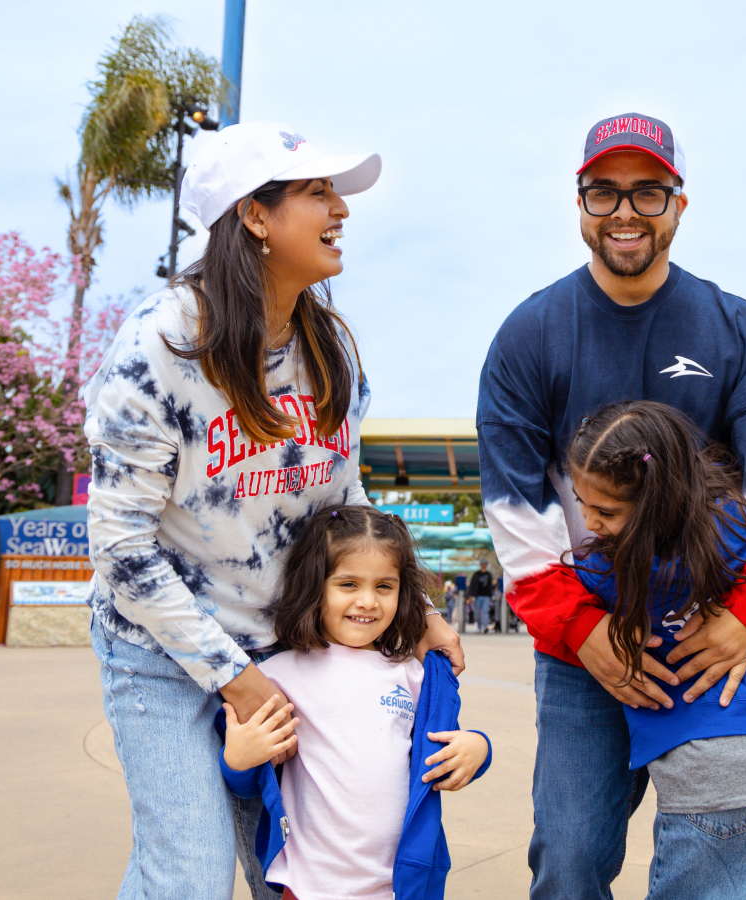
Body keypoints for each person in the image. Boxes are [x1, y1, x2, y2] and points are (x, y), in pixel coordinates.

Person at [84, 123, 463, 900]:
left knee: (292, 873)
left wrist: (412, 606)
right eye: (318, 192)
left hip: (281, 642)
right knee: (187, 873)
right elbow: (120, 549)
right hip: (159, 649)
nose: (341, 211)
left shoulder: (331, 351)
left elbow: (343, 499)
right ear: (254, 216)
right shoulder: (158, 347)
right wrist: (232, 679)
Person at [476, 112, 746, 900]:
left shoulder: (740, 329)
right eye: (604, 192)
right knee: (569, 859)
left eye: (647, 192)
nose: (624, 212)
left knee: (717, 860)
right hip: (586, 639)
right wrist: (579, 628)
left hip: (717, 631)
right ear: (580, 202)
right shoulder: (529, 335)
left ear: (679, 205)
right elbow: (514, 508)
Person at [557, 401, 746, 900]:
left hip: (710, 781)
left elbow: (551, 601)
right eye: (581, 503)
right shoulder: (745, 530)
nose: (588, 522)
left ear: (653, 503)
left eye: (604, 511)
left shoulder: (610, 574)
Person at [220, 506, 492, 900]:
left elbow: (448, 742)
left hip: (397, 885)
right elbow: (246, 785)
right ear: (316, 586)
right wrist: (238, 760)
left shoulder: (411, 674)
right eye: (348, 584)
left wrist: (478, 748)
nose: (368, 601)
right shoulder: (278, 677)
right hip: (309, 885)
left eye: (384, 587)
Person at [468, 560, 497, 633]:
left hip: (486, 596)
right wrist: (470, 595)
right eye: (483, 564)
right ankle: (479, 627)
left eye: (485, 564)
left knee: (485, 611)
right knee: (477, 612)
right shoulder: (476, 574)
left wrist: (491, 596)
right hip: (478, 596)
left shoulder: (489, 575)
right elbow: (472, 585)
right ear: (481, 564)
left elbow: (490, 586)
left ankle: (485, 626)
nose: (484, 565)